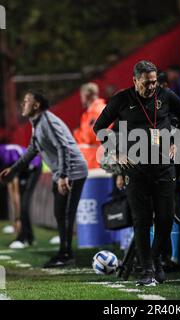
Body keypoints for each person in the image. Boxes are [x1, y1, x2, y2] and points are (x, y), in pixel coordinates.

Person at [93, 60, 180, 286]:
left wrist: (178, 140)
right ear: (135, 81)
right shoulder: (121, 99)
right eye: (146, 83)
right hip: (135, 171)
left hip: (164, 168)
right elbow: (99, 127)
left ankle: (154, 258)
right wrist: (116, 153)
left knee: (166, 219)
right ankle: (147, 270)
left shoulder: (165, 96)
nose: (151, 87)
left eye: (154, 82)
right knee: (142, 221)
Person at [0, 91, 88, 268]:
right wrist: (13, 170)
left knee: (66, 214)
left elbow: (63, 147)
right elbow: (31, 151)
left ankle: (66, 254)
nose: (22, 104)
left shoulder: (47, 121)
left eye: (26, 101)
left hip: (73, 172)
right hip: (62, 173)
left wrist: (63, 176)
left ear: (36, 105)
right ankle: (63, 252)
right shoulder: (37, 123)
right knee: (59, 213)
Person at [0, 144, 42, 248]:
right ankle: (29, 237)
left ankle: (23, 238)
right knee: (23, 203)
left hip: (33, 167)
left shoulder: (6, 156)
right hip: (24, 169)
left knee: (24, 203)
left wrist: (17, 219)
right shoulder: (3, 154)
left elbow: (15, 193)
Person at [73, 82, 107, 169]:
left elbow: (90, 136)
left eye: (81, 96)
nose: (81, 99)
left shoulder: (97, 111)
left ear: (86, 95)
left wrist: (77, 134)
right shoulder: (91, 112)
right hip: (92, 162)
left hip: (97, 163)